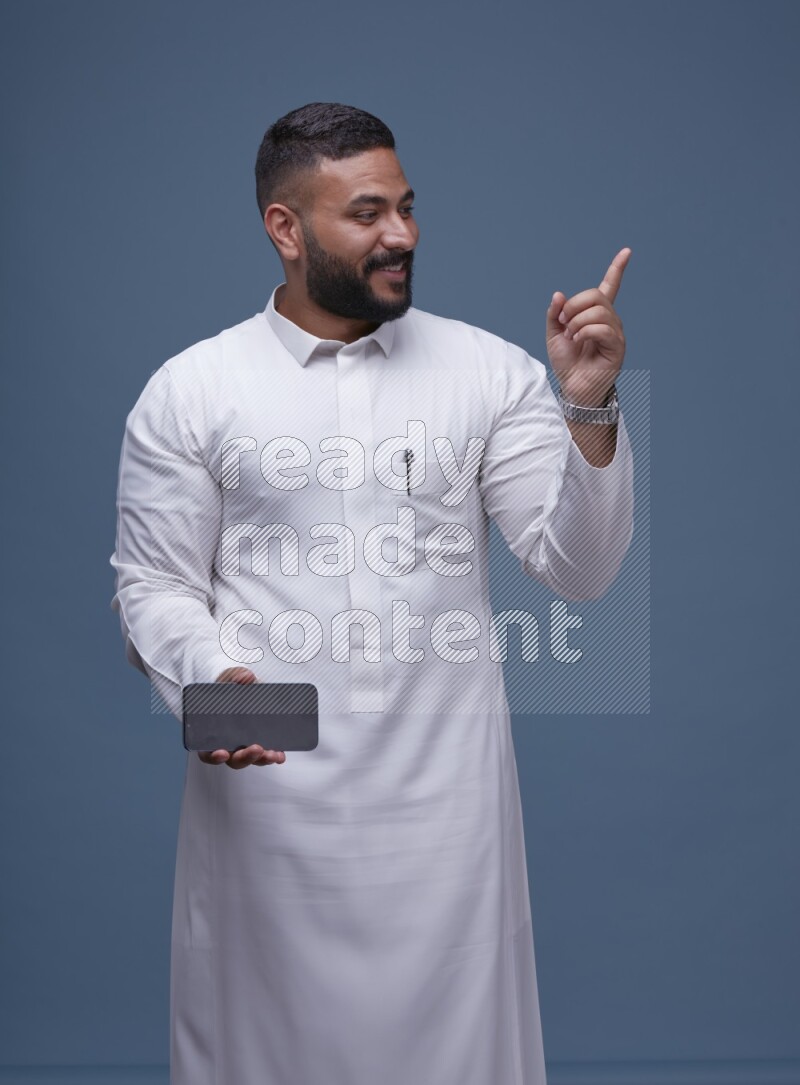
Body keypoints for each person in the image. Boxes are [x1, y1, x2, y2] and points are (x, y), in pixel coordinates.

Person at [110, 101, 634, 1085]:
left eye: (404, 206)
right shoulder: (192, 390)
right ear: (284, 229)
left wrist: (589, 406)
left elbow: (582, 567)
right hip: (268, 816)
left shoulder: (488, 372)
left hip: (449, 828)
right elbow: (153, 585)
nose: (401, 235)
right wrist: (218, 676)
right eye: (365, 213)